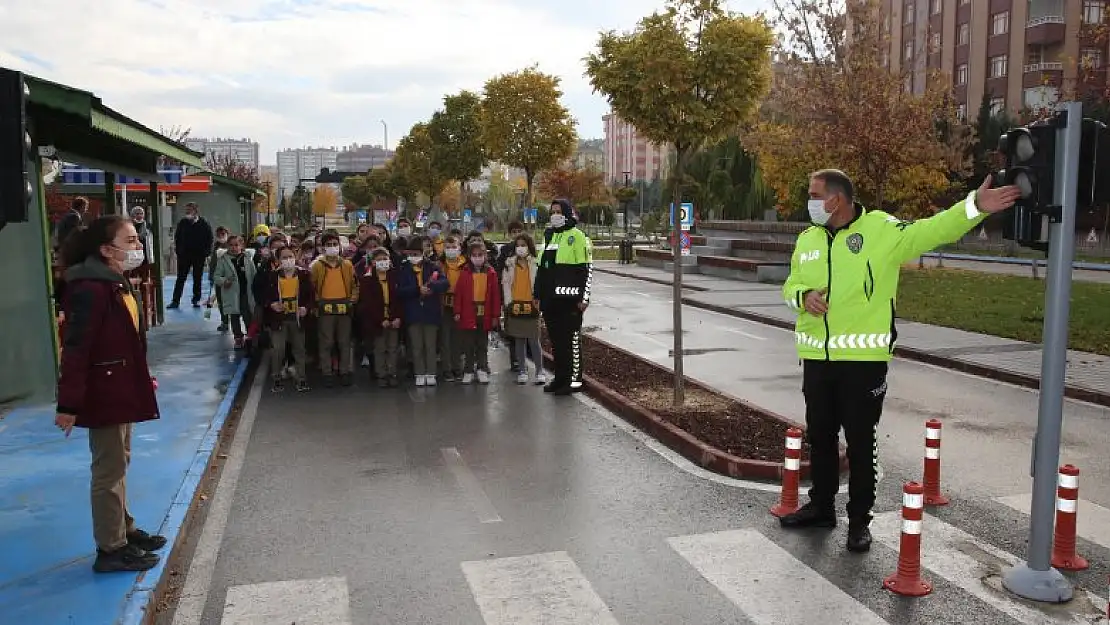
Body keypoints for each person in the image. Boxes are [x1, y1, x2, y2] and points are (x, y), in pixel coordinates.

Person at [778, 169, 1022, 552]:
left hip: (863, 362)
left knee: (860, 442)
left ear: (836, 199)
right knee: (821, 437)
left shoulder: (881, 231)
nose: (808, 201)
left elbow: (933, 229)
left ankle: (860, 521)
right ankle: (821, 508)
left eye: (813, 194)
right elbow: (789, 284)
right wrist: (803, 295)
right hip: (816, 358)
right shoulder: (807, 238)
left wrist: (975, 206)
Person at [54, 215, 166, 573]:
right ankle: (111, 547)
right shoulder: (90, 288)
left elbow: (126, 342)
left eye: (136, 239)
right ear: (106, 249)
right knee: (108, 470)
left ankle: (124, 528)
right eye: (130, 240)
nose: (137, 247)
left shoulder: (115, 282)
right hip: (104, 392)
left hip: (120, 386)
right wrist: (69, 403)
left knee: (120, 462)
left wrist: (140, 377)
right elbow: (77, 347)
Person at [533, 199, 592, 395]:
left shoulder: (578, 236)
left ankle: (574, 382)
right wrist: (537, 294)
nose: (555, 215)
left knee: (572, 341)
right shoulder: (549, 235)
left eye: (558, 211)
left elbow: (586, 269)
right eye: (552, 212)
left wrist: (585, 298)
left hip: (571, 301)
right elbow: (541, 269)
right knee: (557, 343)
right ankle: (560, 379)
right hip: (551, 301)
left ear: (567, 213)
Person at [259, 246, 313, 393]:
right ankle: (276, 378)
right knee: (278, 349)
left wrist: (306, 308)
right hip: (279, 319)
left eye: (290, 256)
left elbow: (311, 296)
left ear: (295, 257)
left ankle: (301, 378)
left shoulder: (304, 275)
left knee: (299, 349)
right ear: (278, 260)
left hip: (297, 318)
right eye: (284, 257)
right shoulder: (272, 277)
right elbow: (265, 296)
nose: (288, 260)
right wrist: (272, 304)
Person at [396, 238, 448, 387]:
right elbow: (400, 290)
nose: (413, 256)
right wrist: (417, 290)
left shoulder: (432, 267)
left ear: (422, 253)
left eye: (416, 253)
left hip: (430, 312)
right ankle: (419, 373)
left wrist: (432, 286)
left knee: (430, 345)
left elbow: (444, 283)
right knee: (416, 346)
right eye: (410, 253)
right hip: (413, 313)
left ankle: (431, 373)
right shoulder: (403, 269)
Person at [311, 233, 358, 387]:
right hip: (325, 307)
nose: (332, 247)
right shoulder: (317, 266)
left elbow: (355, 284)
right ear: (323, 247)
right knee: (326, 342)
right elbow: (312, 287)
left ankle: (344, 371)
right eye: (329, 244)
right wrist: (317, 303)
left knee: (344, 341)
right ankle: (327, 372)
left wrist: (352, 300)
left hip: (345, 306)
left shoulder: (347, 265)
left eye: (335, 244)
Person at [453, 242, 501, 385]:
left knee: (482, 344)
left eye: (480, 255)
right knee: (468, 344)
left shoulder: (491, 273)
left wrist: (495, 315)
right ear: (469, 256)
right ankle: (468, 370)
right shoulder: (465, 273)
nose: (477, 258)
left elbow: (495, 296)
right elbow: (459, 294)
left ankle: (482, 369)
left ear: (485, 256)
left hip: (485, 314)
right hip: (469, 313)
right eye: (474, 255)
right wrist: (457, 311)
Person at [502, 233, 545, 385]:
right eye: (518, 245)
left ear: (529, 246)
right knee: (519, 341)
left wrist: (539, 301)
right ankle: (522, 370)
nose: (520, 248)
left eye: (523, 245)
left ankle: (540, 371)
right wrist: (508, 303)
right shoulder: (509, 263)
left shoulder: (535, 262)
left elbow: (540, 283)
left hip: (532, 305)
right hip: (515, 306)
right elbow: (506, 284)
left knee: (534, 340)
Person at [358, 248, 403, 387]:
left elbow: (400, 299)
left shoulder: (395, 276)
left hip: (393, 317)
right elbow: (368, 303)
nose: (383, 262)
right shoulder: (367, 280)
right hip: (378, 320)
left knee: (393, 347)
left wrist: (398, 317)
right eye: (379, 260)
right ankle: (381, 374)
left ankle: (392, 373)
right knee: (380, 348)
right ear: (373, 262)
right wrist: (380, 319)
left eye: (385, 259)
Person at [211, 235, 257, 349]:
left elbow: (254, 274)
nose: (233, 248)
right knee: (234, 316)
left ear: (241, 246)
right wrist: (224, 281)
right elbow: (216, 276)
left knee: (248, 315)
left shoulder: (247, 258)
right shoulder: (223, 260)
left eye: (236, 245)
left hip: (246, 292)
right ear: (227, 246)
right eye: (231, 245)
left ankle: (250, 336)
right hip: (231, 293)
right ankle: (238, 338)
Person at [168, 202, 214, 309]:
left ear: (195, 211)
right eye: (186, 211)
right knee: (180, 278)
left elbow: (209, 238)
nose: (187, 212)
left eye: (190, 210)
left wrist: (206, 252)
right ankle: (175, 301)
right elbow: (177, 237)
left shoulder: (204, 224)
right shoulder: (183, 223)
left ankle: (196, 299)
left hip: (199, 255)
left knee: (197, 278)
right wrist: (178, 251)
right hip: (184, 255)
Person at [438, 236, 467, 382]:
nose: (451, 250)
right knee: (445, 339)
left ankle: (458, 367)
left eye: (453, 247)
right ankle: (446, 369)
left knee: (458, 339)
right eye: (447, 247)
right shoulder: (439, 264)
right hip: (444, 305)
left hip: (460, 304)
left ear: (459, 248)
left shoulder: (465, 265)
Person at [208, 226, 231, 332]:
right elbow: (212, 263)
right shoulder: (215, 247)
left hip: (229, 278)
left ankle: (231, 321)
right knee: (221, 301)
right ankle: (224, 321)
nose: (221, 236)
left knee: (230, 301)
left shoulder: (231, 246)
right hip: (218, 278)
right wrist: (211, 277)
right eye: (219, 235)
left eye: (223, 234)